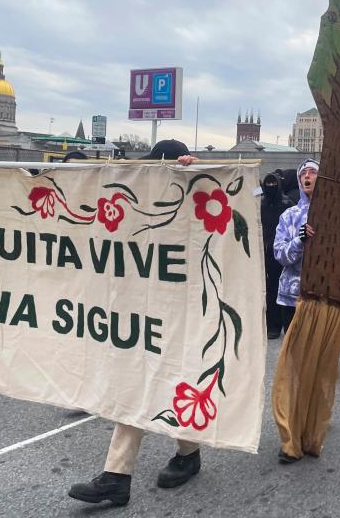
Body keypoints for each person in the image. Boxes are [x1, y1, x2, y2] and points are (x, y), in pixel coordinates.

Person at [68, 140, 201, 506]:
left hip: (179, 311)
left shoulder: (193, 194)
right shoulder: (138, 205)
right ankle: (121, 474)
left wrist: (195, 171)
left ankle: (182, 455)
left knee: (169, 381)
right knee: (138, 385)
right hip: (142, 309)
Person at [272, 160, 319, 335]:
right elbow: (280, 255)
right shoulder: (289, 215)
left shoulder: (333, 215)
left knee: (316, 354)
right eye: (303, 173)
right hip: (292, 297)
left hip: (322, 297)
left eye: (312, 172)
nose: (306, 175)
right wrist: (299, 240)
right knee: (293, 352)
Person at [261, 172, 292, 339]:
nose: (271, 187)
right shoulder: (261, 203)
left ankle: (279, 323)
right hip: (264, 252)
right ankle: (271, 323)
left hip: (281, 253)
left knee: (281, 288)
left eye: (274, 184)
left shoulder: (286, 204)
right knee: (269, 289)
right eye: (268, 184)